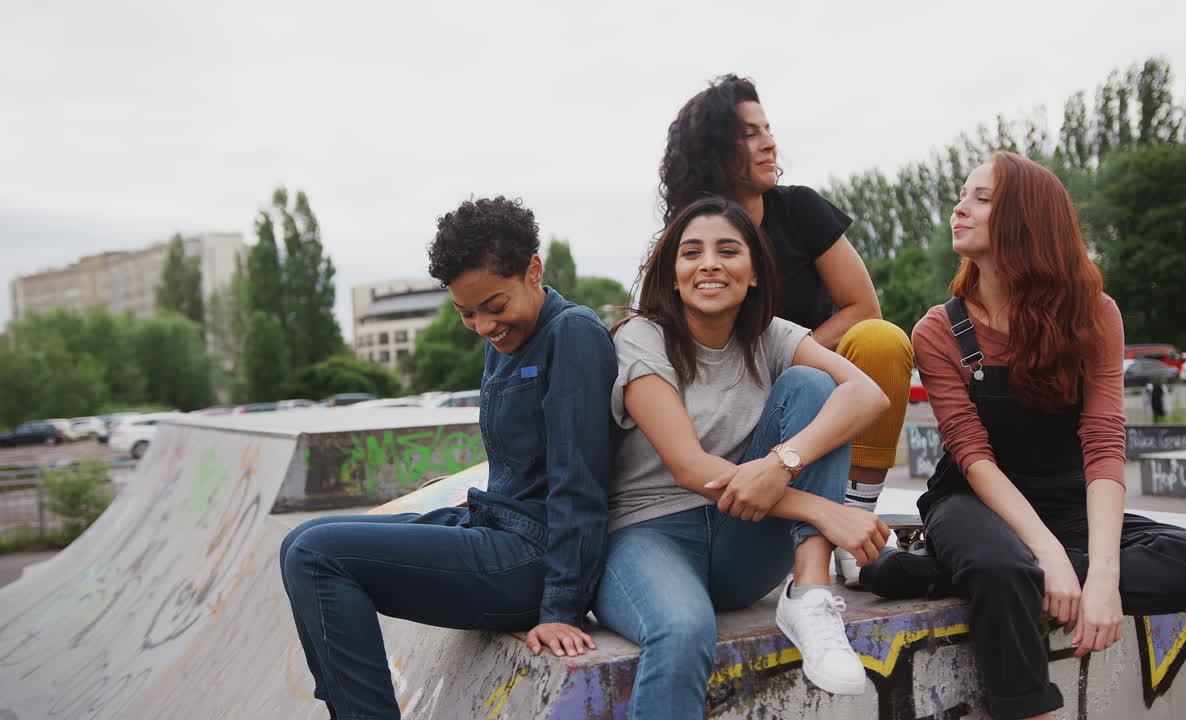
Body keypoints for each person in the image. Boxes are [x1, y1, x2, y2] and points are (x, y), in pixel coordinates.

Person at [861, 152, 1186, 720]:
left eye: (981, 199)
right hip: (971, 499)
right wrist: (1049, 558)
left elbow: (1104, 442)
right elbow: (972, 454)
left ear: (1027, 219)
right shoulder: (940, 329)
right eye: (962, 195)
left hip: (1066, 503)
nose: (960, 208)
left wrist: (1102, 576)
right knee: (1003, 565)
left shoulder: (1094, 315)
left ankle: (940, 572)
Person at [279, 197, 616, 720]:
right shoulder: (503, 342)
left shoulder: (572, 333)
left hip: (532, 557)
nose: (484, 325)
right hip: (489, 525)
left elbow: (581, 482)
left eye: (495, 306)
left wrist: (561, 609)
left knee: (317, 554)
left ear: (533, 270)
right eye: (467, 313)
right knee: (298, 542)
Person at [594, 196, 892, 719]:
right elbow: (688, 467)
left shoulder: (770, 335)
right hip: (648, 535)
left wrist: (783, 462)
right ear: (673, 273)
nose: (709, 262)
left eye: (727, 250)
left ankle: (811, 595)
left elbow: (868, 395)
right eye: (692, 253)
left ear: (753, 272)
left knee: (812, 385)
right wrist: (826, 509)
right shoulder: (643, 337)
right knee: (683, 628)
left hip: (743, 537)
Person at [659, 74, 913, 584]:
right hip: (733, 414)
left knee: (880, 341)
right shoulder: (690, 238)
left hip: (809, 381)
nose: (770, 143)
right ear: (712, 149)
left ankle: (856, 510)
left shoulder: (799, 208)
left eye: (768, 129)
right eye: (750, 133)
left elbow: (863, 307)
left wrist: (785, 355)